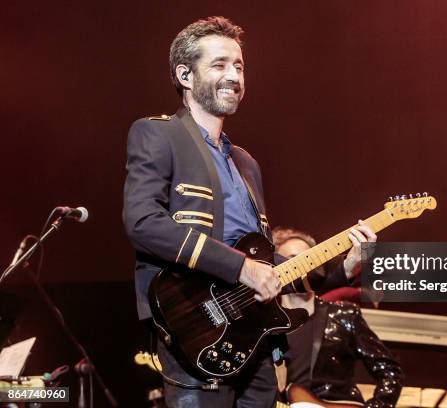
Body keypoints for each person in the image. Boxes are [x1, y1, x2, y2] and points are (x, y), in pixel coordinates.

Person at [123, 17, 372, 408]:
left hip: (253, 340)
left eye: (239, 66)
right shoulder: (158, 134)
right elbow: (142, 223)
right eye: (219, 64)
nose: (234, 76)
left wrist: (345, 268)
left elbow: (270, 267)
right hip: (196, 329)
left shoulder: (246, 163)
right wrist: (241, 268)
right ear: (185, 75)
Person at [274, 227, 404, 408]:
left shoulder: (344, 315)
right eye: (291, 260)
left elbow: (390, 372)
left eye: (308, 260)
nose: (301, 267)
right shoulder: (265, 325)